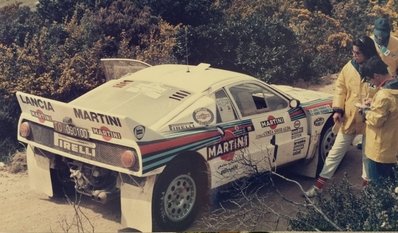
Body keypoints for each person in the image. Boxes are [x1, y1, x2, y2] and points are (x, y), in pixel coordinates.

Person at [304, 36, 378, 198]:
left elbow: (383, 90)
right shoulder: (348, 68)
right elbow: (340, 89)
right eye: (353, 52)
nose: (354, 55)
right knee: (335, 152)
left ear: (367, 52)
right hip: (349, 118)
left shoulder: (377, 67)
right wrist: (338, 110)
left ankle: (367, 189)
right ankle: (318, 186)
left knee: (368, 155)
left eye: (357, 53)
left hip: (371, 120)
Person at [360, 56, 398, 185]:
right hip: (393, 150)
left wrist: (365, 112)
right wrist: (374, 103)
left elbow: (376, 120)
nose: (371, 83)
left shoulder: (384, 96)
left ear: (376, 76)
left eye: (370, 79)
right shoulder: (393, 90)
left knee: (379, 190)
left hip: (379, 152)